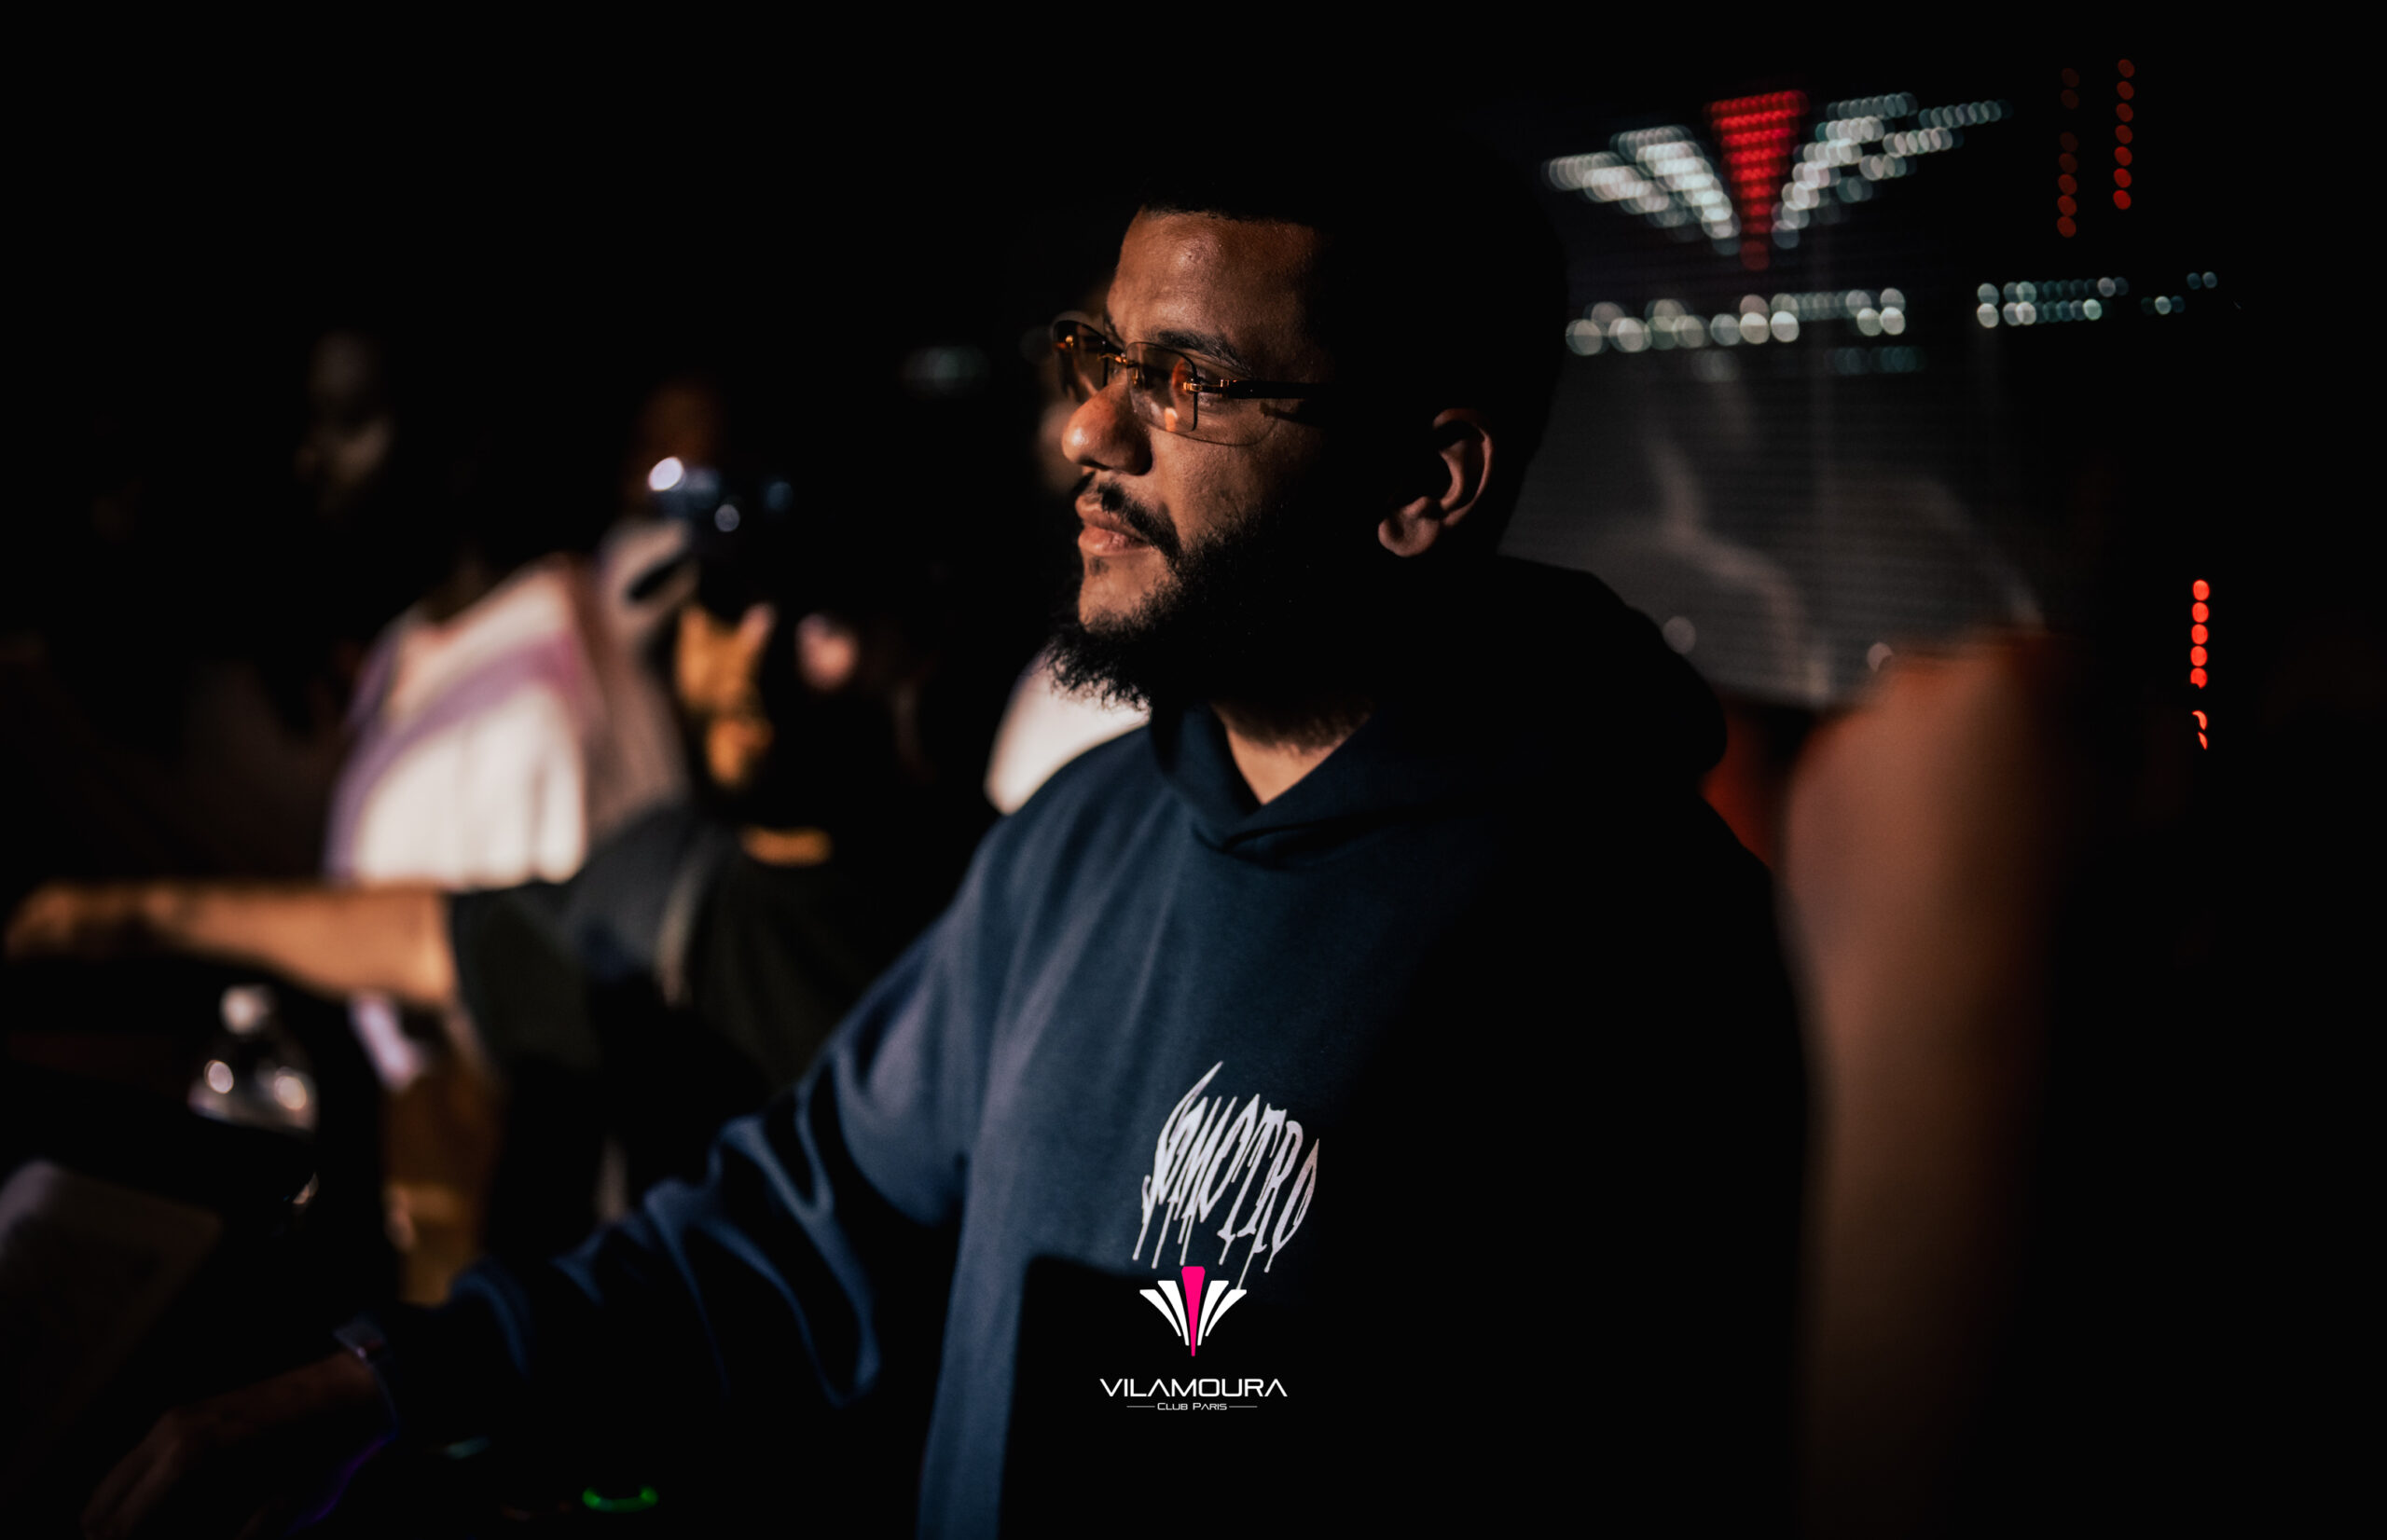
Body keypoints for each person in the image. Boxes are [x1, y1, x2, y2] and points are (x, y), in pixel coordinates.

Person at [75, 136, 1805, 1536]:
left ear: (1426, 483)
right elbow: (800, 1226)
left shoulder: (1647, 961)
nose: (1088, 430)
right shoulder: (1078, 844)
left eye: (1187, 380)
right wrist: (380, 1386)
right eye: (1100, 357)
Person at [9, 469, 992, 1273]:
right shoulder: (660, 881)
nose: (750, 659)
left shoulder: (1002, 895)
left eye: (819, 618)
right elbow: (429, 937)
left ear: (916, 642)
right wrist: (119, 916)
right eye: (724, 603)